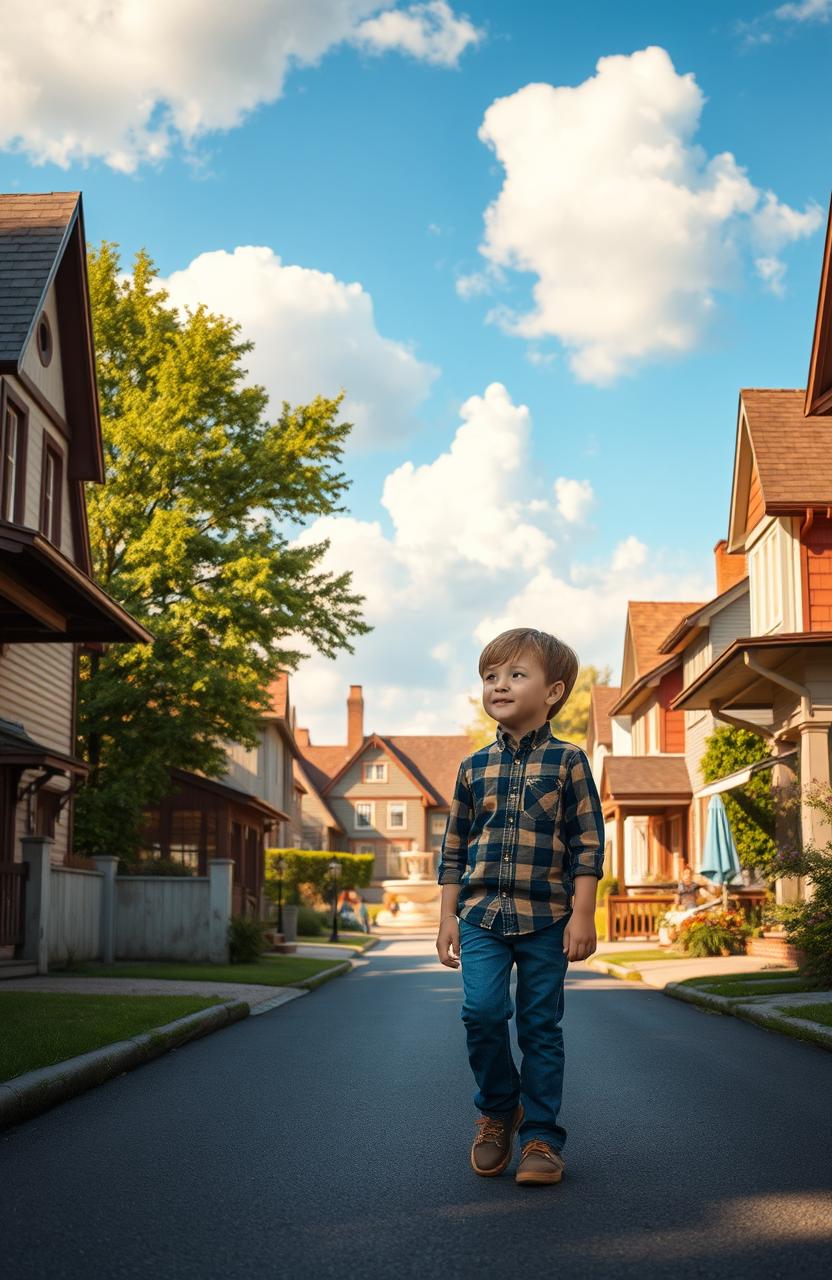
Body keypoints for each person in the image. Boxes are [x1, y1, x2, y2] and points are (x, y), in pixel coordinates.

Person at [436, 627, 604, 1187]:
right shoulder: (471, 768)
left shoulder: (569, 762)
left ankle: (541, 1137)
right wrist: (445, 918)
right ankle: (497, 1109)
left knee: (539, 1028)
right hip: (480, 917)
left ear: (553, 692)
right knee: (481, 1015)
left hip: (547, 921)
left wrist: (583, 914)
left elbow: (588, 843)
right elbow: (453, 848)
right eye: (490, 676)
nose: (499, 685)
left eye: (515, 674)